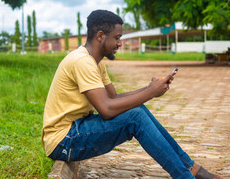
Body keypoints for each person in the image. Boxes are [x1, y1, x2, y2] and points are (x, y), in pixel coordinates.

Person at [41, 10, 222, 179]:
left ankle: (191, 168)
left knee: (137, 109)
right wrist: (150, 93)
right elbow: (107, 109)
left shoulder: (95, 62)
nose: (120, 43)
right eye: (117, 38)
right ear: (100, 36)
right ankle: (186, 175)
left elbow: (113, 98)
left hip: (76, 130)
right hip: (64, 141)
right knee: (135, 117)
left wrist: (150, 88)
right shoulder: (82, 62)